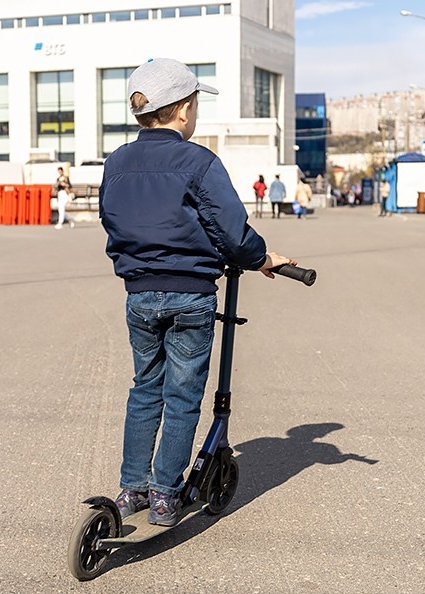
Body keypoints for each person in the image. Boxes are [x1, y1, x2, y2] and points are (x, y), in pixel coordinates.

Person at [98, 58, 295, 527]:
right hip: (190, 295)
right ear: (184, 109)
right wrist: (261, 258)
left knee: (145, 389)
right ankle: (166, 494)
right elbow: (230, 229)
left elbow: (112, 221)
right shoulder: (199, 161)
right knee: (183, 395)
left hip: (139, 293)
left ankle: (133, 488)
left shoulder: (117, 161)